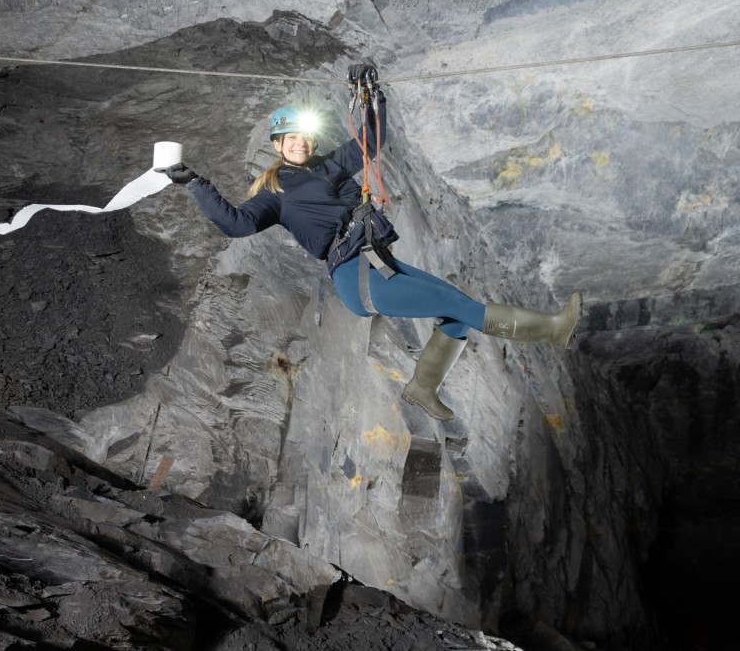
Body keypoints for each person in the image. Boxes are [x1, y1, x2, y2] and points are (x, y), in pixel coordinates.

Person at [158, 64, 580, 421]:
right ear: (278, 145)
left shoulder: (328, 168)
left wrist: (373, 94)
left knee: (455, 310)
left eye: (304, 138)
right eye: (291, 139)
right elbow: (235, 225)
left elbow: (372, 141)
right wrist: (195, 184)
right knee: (462, 308)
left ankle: (422, 388)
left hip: (376, 260)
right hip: (356, 276)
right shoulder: (274, 194)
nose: (300, 143)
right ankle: (552, 330)